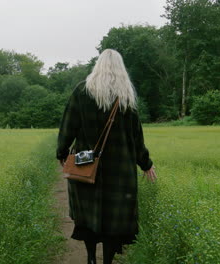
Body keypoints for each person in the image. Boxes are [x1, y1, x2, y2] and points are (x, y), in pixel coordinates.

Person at [56, 49, 157, 264]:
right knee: (113, 220)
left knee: (89, 215)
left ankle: (91, 258)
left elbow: (68, 126)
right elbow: (136, 137)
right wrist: (146, 163)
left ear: (98, 65)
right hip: (119, 172)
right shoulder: (126, 96)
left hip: (86, 166)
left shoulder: (82, 91)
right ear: (121, 69)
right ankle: (107, 262)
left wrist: (62, 153)